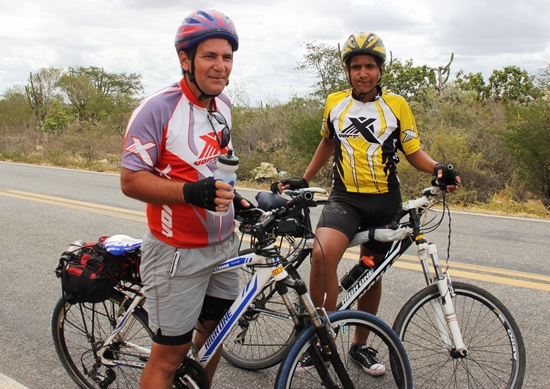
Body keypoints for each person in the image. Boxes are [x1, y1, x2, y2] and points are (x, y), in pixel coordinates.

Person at [274, 31, 461, 375]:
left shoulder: (397, 106)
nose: (363, 73)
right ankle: (318, 339)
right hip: (345, 199)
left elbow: (413, 151)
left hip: (385, 203)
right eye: (356, 66)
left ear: (381, 69)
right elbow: (327, 144)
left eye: (370, 66)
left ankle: (360, 345)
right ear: (347, 71)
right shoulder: (335, 103)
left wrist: (436, 169)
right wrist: (306, 177)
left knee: (370, 274)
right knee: (321, 254)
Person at [120, 9, 249, 389]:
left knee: (213, 338)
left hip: (223, 247)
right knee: (169, 358)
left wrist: (235, 198)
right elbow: (130, 180)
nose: (220, 66)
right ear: (185, 59)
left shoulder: (222, 105)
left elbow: (214, 168)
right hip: (176, 251)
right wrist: (191, 193)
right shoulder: (157, 109)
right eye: (210, 56)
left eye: (227, 57)